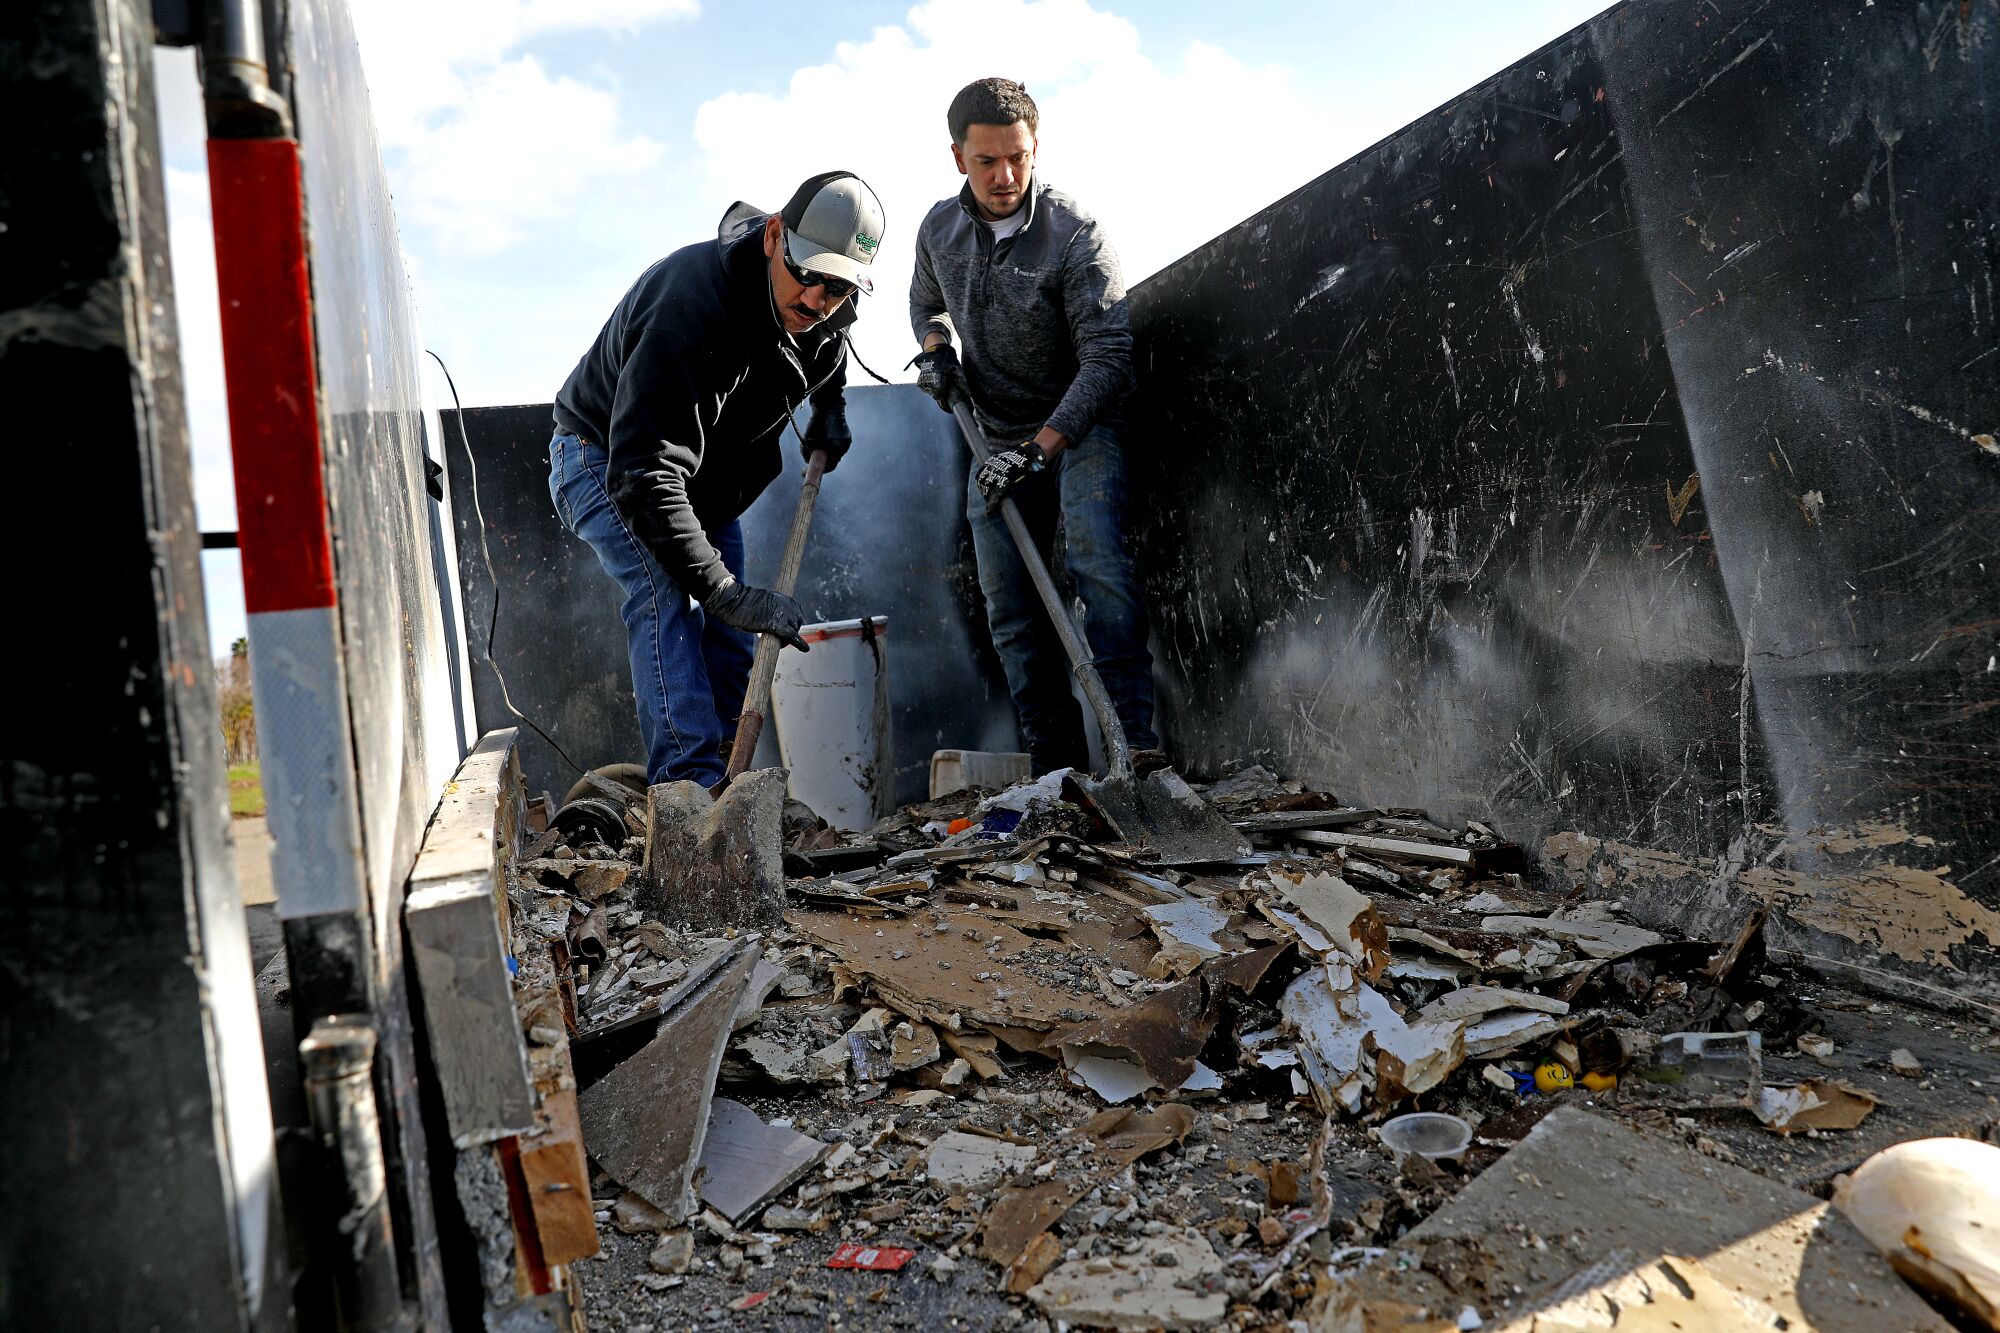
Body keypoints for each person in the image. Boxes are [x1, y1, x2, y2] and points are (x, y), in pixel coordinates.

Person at [550, 171, 885, 786]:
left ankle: (729, 782)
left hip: (703, 482)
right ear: (774, 238)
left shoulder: (825, 307)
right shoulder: (693, 303)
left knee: (734, 631)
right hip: (604, 460)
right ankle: (689, 792)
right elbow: (643, 469)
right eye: (809, 275)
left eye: (837, 289)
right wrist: (722, 591)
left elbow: (832, 342)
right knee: (665, 595)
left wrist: (829, 412)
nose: (817, 301)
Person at [909, 78, 1160, 775]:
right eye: (987, 160)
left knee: (1097, 569)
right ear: (959, 157)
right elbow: (926, 305)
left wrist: (1042, 449)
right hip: (994, 435)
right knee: (1011, 613)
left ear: (1036, 147)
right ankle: (1060, 773)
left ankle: (1134, 754)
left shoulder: (1076, 235)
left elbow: (1108, 360)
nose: (1006, 176)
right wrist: (936, 355)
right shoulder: (938, 230)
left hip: (1081, 428)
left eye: (1018, 157)